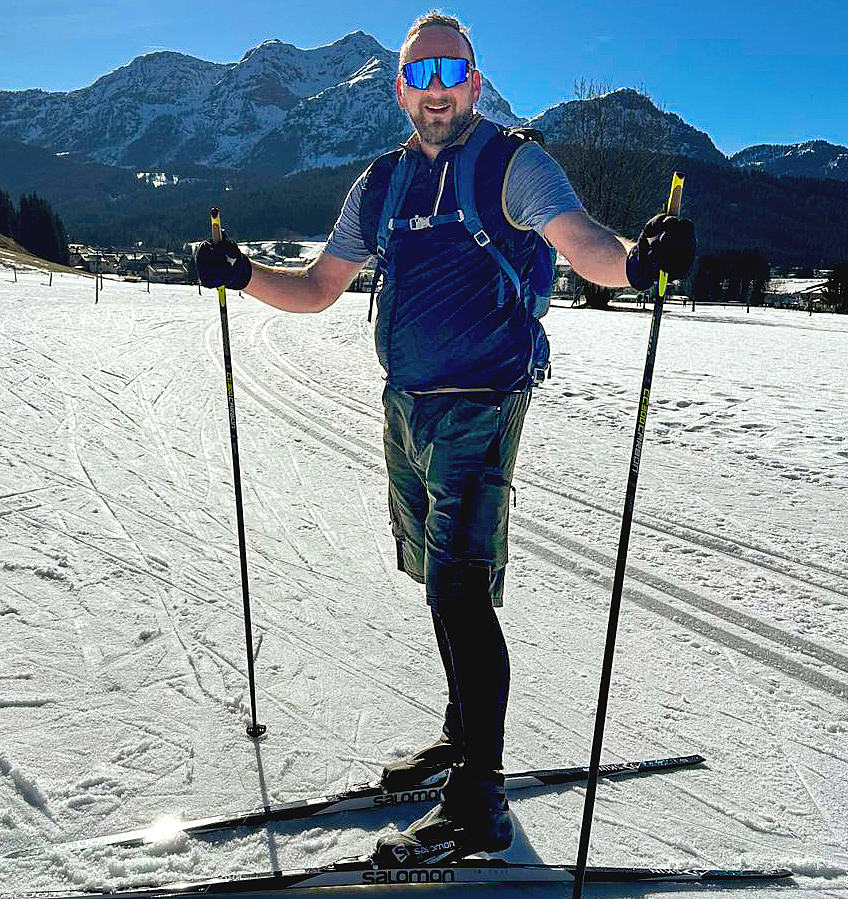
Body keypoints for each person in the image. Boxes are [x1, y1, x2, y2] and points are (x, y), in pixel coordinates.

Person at [195, 11, 695, 867]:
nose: (435, 91)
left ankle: (478, 800)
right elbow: (320, 287)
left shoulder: (512, 163)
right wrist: (241, 274)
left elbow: (583, 245)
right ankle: (461, 733)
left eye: (449, 72)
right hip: (408, 406)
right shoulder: (380, 183)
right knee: (437, 577)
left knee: (459, 588)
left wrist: (640, 259)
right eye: (419, 76)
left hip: (482, 403)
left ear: (474, 79)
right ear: (400, 89)